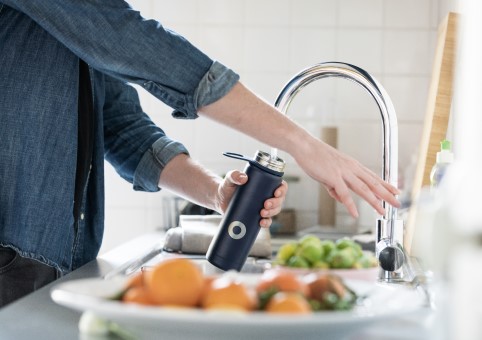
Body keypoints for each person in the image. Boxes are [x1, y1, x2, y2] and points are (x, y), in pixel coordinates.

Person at [0, 1, 399, 307]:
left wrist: (216, 195)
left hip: (47, 265)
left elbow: (124, 129)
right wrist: (304, 145)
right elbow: (137, 43)